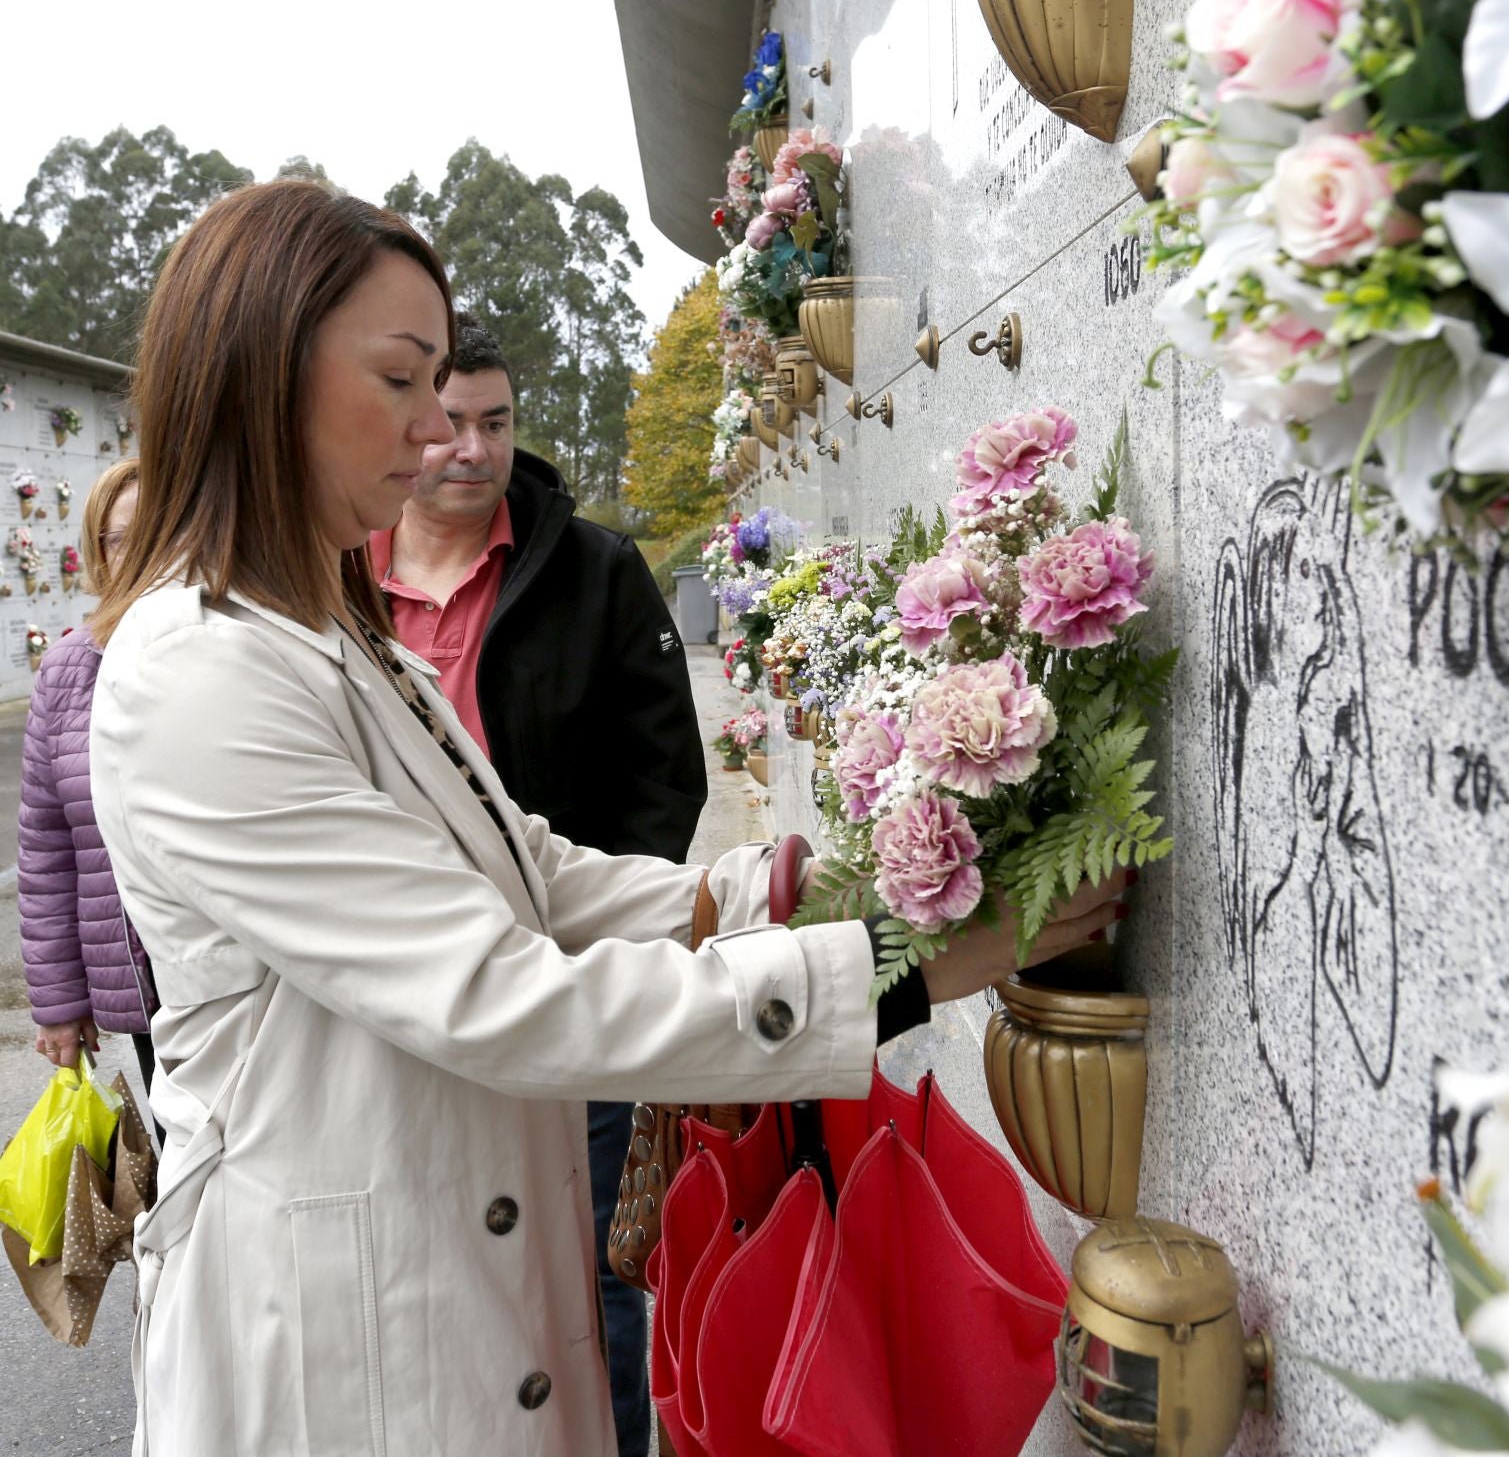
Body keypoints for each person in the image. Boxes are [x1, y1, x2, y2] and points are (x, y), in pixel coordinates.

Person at [88, 179, 1119, 1457]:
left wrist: (809, 891)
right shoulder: (200, 670)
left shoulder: (343, 643)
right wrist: (895, 974)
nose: (434, 430)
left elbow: (540, 875)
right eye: (401, 380)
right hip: (336, 1338)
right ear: (262, 372)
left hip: (457, 1272)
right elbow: (500, 990)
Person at [370, 310, 702, 1457]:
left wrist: (616, 938)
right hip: (395, 991)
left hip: (570, 979)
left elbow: (667, 777)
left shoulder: (595, 570)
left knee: (594, 1258)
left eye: (495, 422)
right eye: (449, 421)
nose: (469, 447)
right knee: (430, 1258)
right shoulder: (330, 580)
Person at [18, 458, 158, 1091]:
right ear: (98, 551)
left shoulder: (238, 642)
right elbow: (46, 848)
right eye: (121, 536)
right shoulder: (69, 668)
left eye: (160, 528)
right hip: (143, 986)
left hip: (249, 986)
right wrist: (59, 1002)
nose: (144, 551)